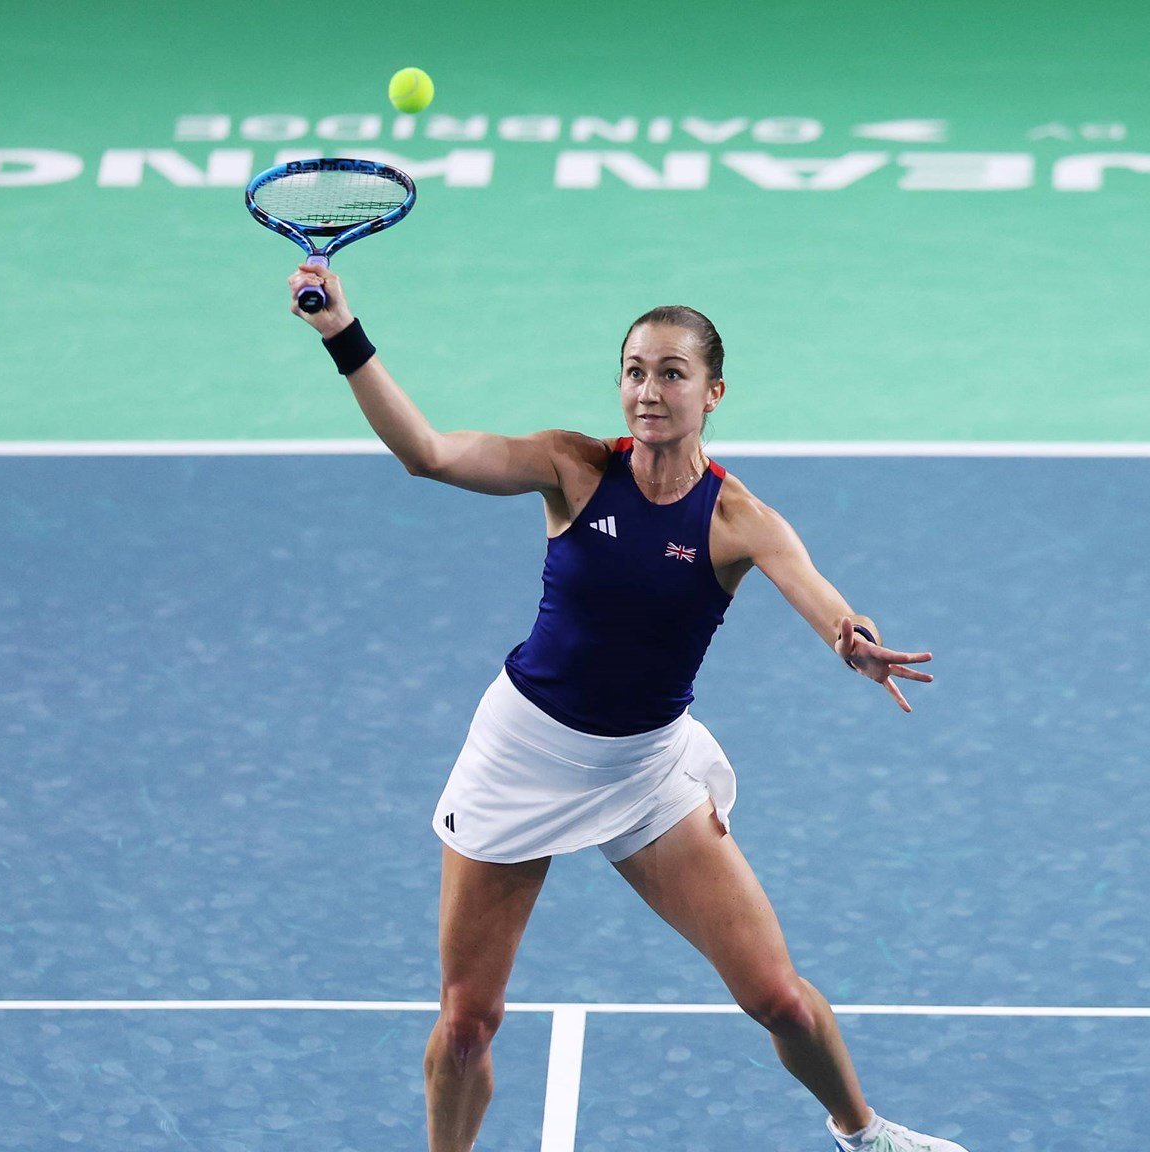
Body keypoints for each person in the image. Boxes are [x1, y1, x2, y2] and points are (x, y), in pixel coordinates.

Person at [284, 260, 962, 1152]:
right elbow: (430, 454)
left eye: (672, 373)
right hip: (519, 758)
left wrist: (855, 640)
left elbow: (825, 600)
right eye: (636, 371)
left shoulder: (738, 518)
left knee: (779, 999)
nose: (649, 390)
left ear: (714, 392)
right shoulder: (571, 468)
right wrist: (344, 331)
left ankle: (863, 1132)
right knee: (467, 1021)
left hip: (647, 770)